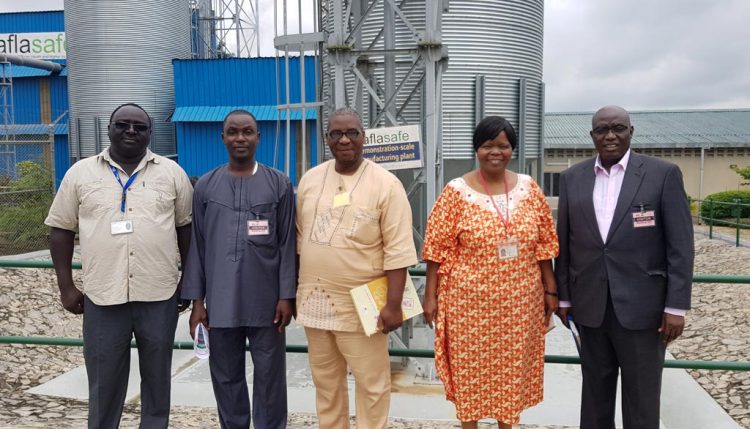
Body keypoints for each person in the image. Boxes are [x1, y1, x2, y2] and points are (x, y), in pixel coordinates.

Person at [45, 103, 193, 429]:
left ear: (149, 133)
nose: (130, 131)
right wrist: (66, 286)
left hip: (159, 294)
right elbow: (60, 231)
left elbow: (186, 229)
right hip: (102, 295)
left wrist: (189, 281)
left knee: (157, 379)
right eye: (122, 125)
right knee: (103, 381)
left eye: (139, 127)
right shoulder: (80, 174)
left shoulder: (172, 174)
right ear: (109, 129)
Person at [555, 105, 694, 429]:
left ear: (631, 132)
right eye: (602, 130)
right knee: (595, 397)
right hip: (590, 308)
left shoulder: (663, 174)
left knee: (642, 399)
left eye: (618, 128)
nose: (610, 135)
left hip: (644, 309)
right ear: (592, 136)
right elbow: (564, 242)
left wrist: (676, 306)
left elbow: (680, 247)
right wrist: (564, 299)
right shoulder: (572, 178)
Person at [422, 115, 559, 429]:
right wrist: (430, 296)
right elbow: (435, 250)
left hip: (520, 305)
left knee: (510, 373)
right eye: (487, 145)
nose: (495, 152)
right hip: (467, 305)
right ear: (476, 149)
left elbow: (545, 245)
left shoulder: (530, 188)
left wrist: (550, 289)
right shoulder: (456, 192)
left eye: (503, 145)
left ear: (512, 149)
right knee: (470, 372)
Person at [295, 108, 418, 428]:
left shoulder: (386, 185)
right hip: (315, 303)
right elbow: (298, 239)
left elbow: (399, 250)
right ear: (327, 139)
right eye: (336, 134)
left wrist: (393, 305)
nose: (344, 139)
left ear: (364, 137)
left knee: (373, 386)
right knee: (326, 384)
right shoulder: (310, 180)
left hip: (365, 307)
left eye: (352, 132)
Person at [181, 110, 295, 429]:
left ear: (258, 137)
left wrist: (287, 295)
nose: (240, 138)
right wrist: (198, 303)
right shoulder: (205, 186)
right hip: (221, 303)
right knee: (226, 377)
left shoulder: (279, 184)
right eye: (233, 132)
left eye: (247, 132)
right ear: (223, 138)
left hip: (268, 303)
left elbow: (287, 243)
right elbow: (198, 248)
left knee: (270, 378)